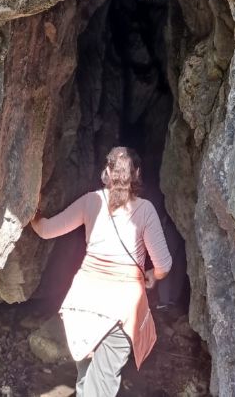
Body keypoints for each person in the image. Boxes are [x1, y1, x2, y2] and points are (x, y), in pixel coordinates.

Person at [30, 146, 172, 397]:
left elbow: (46, 230)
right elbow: (164, 263)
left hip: (84, 303)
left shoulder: (91, 202)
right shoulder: (145, 210)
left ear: (107, 171)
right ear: (137, 173)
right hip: (122, 309)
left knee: (86, 378)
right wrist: (153, 275)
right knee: (102, 383)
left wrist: (33, 211)